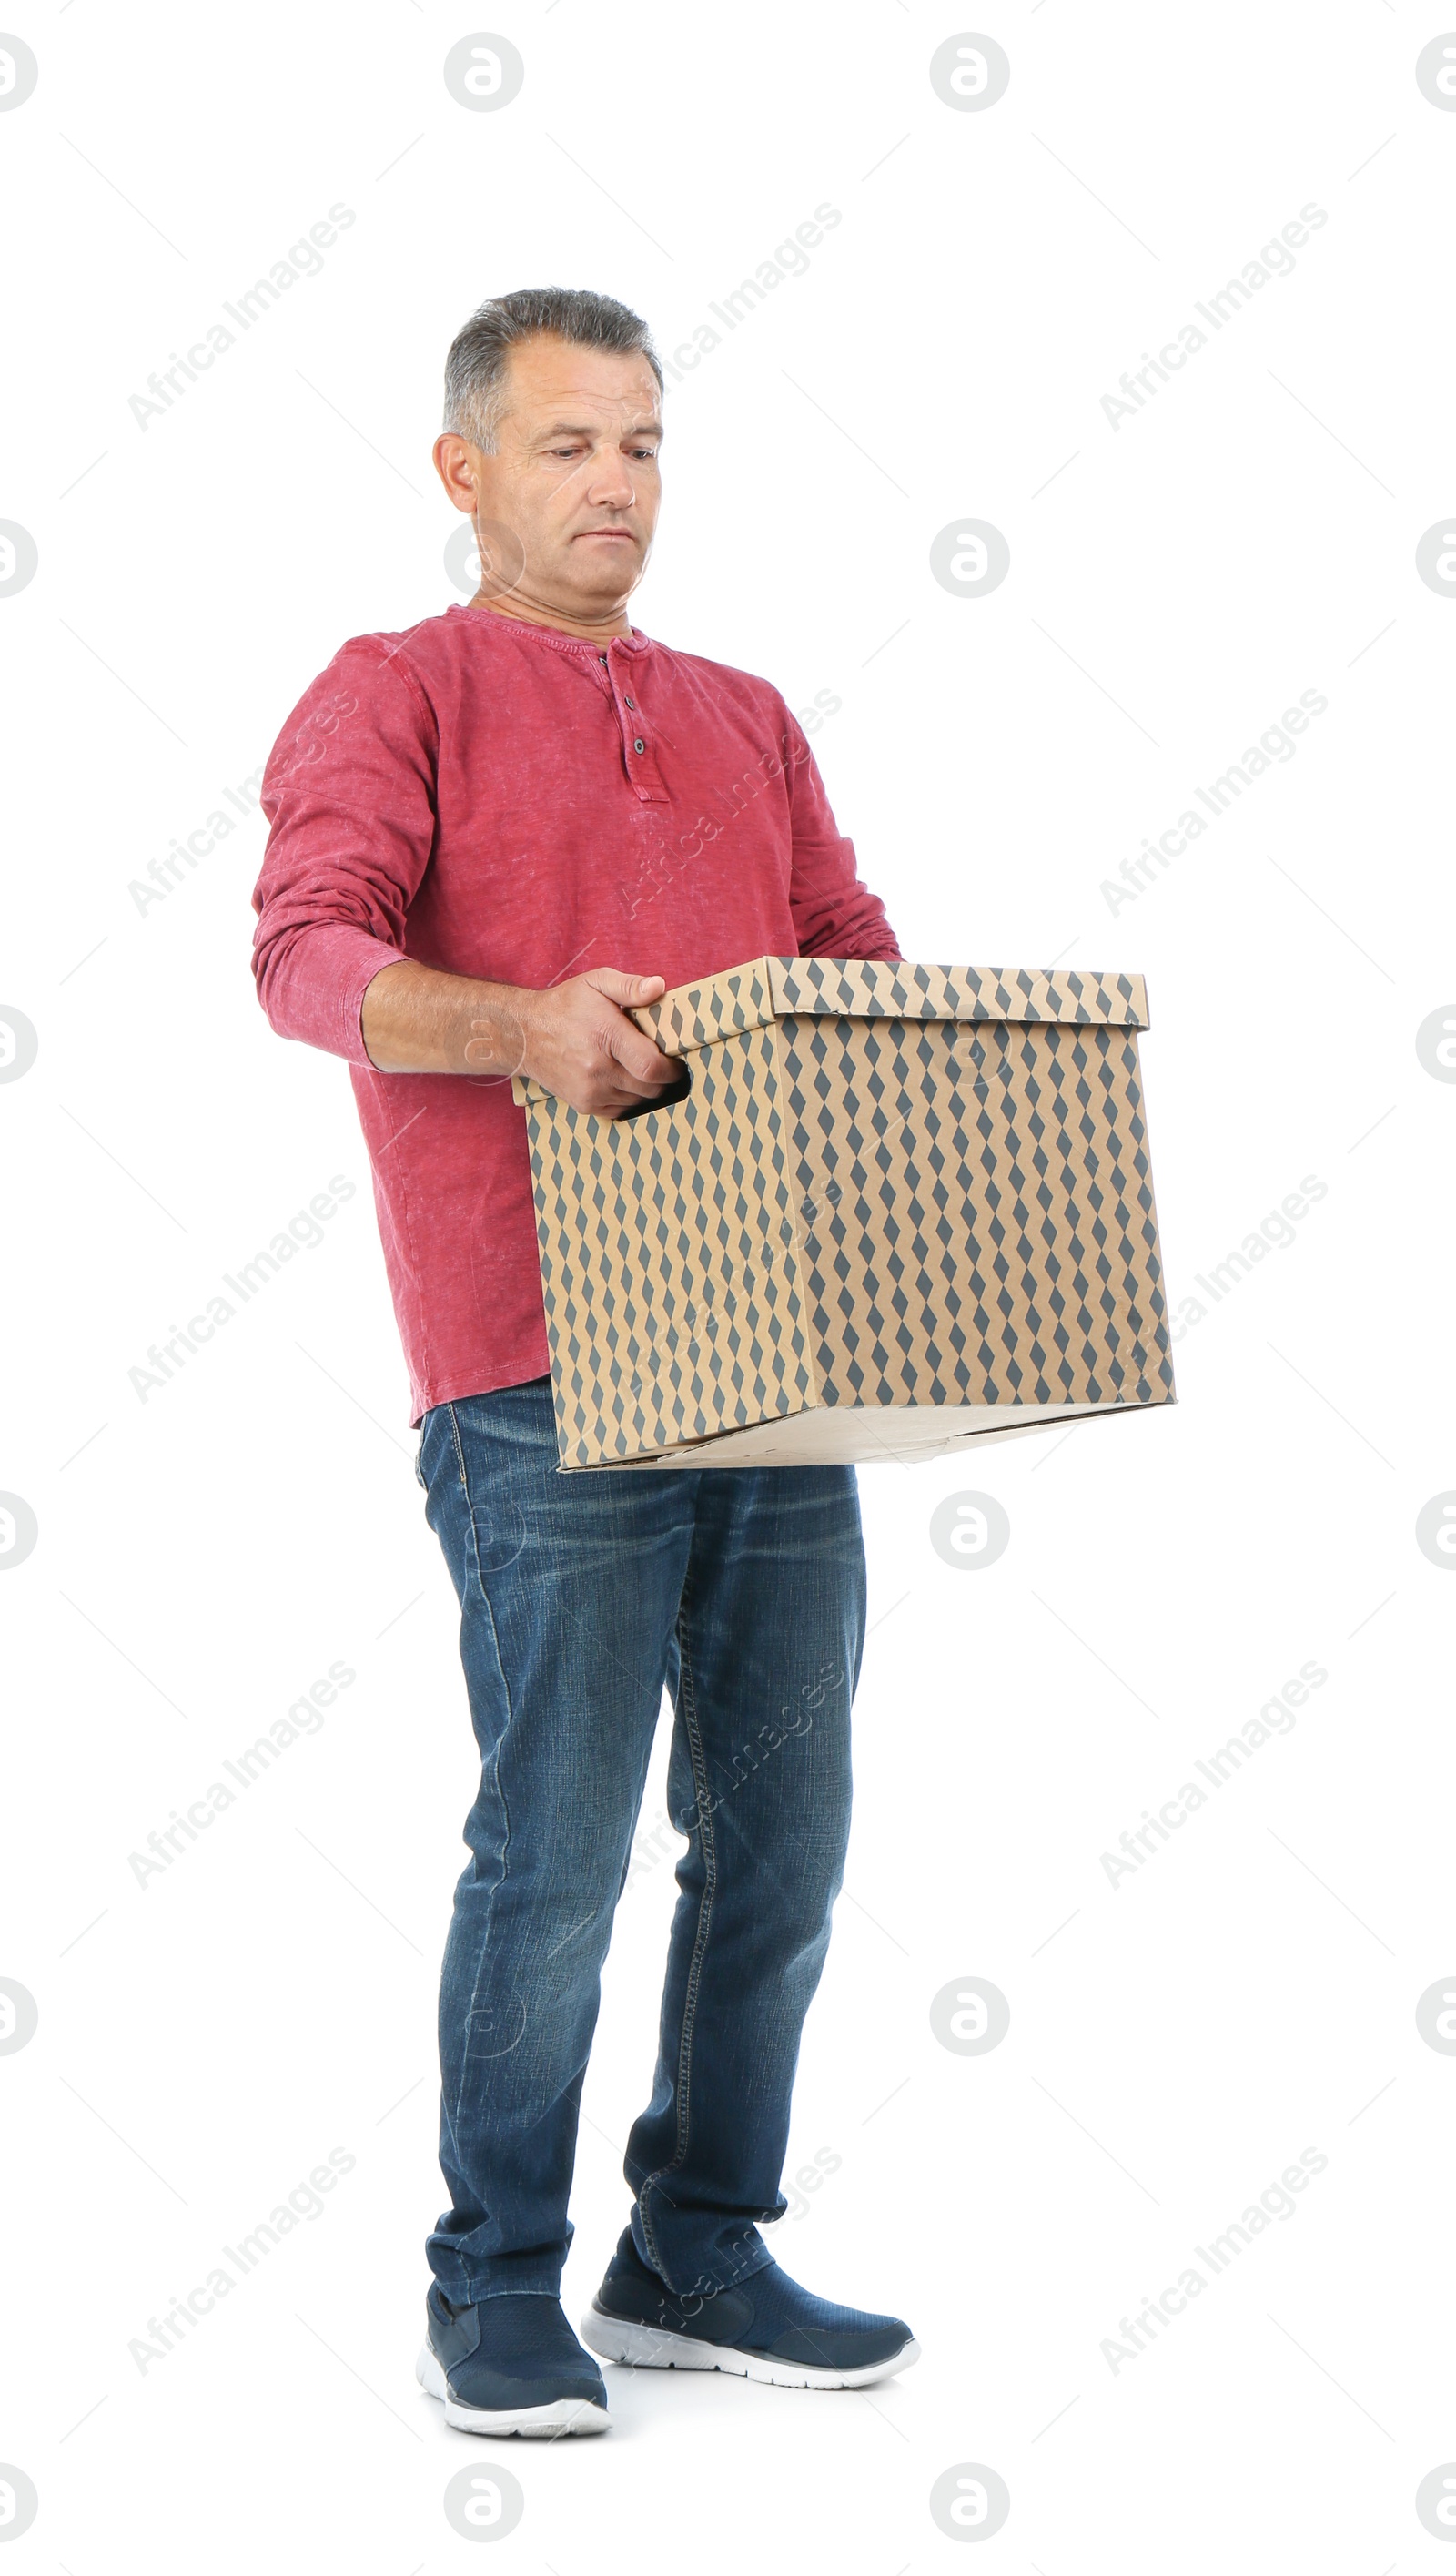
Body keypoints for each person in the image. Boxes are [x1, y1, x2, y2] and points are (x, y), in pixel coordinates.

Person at [250, 286, 918, 2437]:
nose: (612, 480)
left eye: (639, 440)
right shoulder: (395, 688)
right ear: (464, 472)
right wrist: (520, 1021)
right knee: (554, 1836)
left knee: (786, 1825)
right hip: (528, 1358)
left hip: (772, 1348)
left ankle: (699, 2241)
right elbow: (307, 951)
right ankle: (495, 2272)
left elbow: (845, 948)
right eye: (563, 445)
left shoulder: (740, 709)